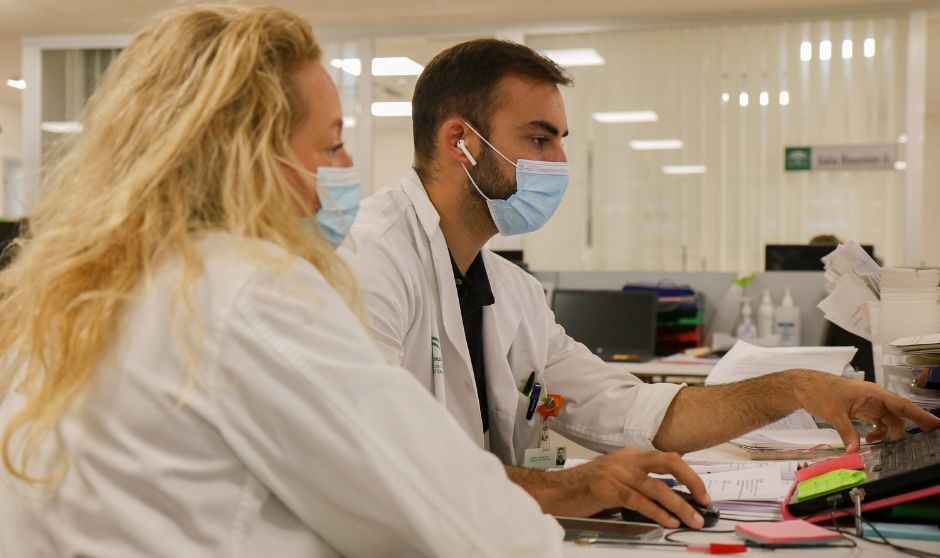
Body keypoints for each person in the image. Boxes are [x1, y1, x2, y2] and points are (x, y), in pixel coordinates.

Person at [0, 8, 566, 557]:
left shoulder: (78, 289)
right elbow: (469, 524)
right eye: (330, 144)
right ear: (250, 156)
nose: (344, 169)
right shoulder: (244, 291)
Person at [341, 39, 940, 526]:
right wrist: (566, 488)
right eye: (538, 138)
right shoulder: (370, 259)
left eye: (559, 142)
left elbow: (627, 407)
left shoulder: (510, 289)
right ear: (461, 142)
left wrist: (797, 389)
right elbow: (371, 456)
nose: (559, 164)